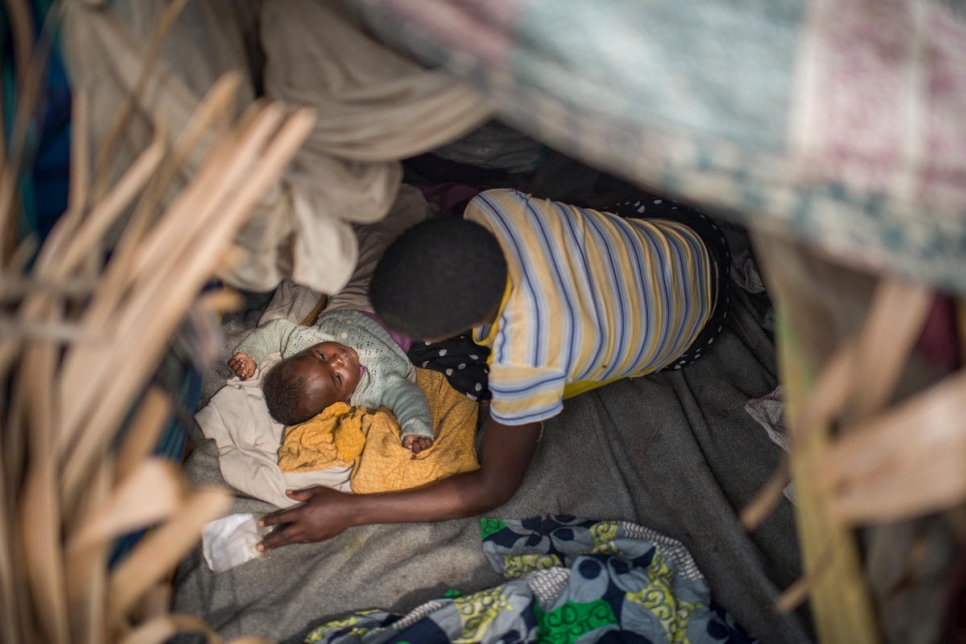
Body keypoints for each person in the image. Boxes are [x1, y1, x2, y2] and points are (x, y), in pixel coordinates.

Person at [255, 187, 730, 551]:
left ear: (469, 324)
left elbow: (492, 488)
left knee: (468, 375)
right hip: (687, 234)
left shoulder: (525, 356)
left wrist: (353, 511)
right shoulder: (493, 205)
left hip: (696, 331)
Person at [228, 308, 434, 456]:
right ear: (345, 400)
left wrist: (250, 354)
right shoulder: (375, 387)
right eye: (338, 377)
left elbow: (276, 331)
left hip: (347, 307)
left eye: (320, 356)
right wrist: (415, 426)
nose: (337, 359)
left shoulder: (303, 343)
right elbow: (408, 396)